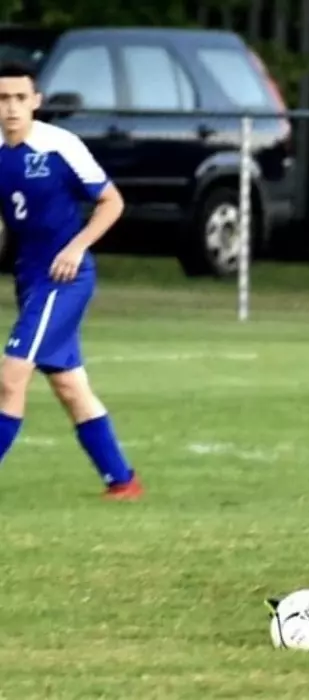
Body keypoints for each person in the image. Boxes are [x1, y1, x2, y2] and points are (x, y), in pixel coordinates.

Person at [0, 62, 141, 500]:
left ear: (36, 101)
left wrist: (76, 247)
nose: (11, 108)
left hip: (65, 277)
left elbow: (111, 202)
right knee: (68, 384)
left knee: (11, 375)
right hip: (29, 279)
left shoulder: (60, 146)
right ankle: (123, 481)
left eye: (20, 98)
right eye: (2, 98)